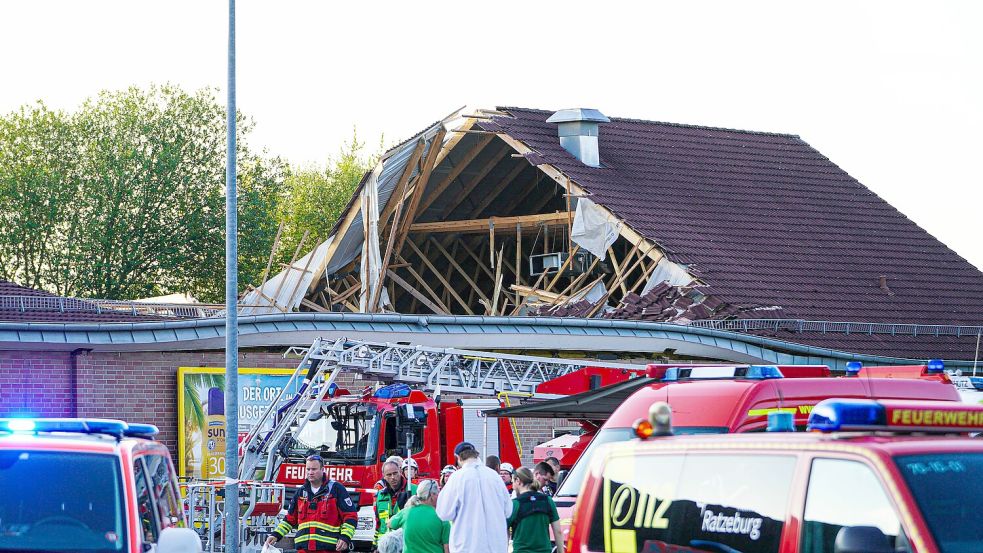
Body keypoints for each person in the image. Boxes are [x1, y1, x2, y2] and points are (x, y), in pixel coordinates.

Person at [266, 454, 357, 552]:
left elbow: (350, 517)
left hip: (329, 550)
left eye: (314, 469)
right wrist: (275, 535)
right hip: (304, 549)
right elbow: (289, 519)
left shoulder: (336, 489)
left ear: (322, 469)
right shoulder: (301, 492)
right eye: (308, 469)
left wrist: (345, 537)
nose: (310, 472)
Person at [435, 442, 512, 553]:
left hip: (467, 546)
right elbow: (508, 511)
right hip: (496, 546)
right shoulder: (495, 477)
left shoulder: (457, 478)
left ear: (458, 457)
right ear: (476, 455)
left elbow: (443, 513)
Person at [507, 467, 564, 553]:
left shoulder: (514, 504)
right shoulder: (547, 500)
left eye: (513, 481)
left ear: (518, 480)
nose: (512, 485)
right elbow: (558, 531)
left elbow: (504, 533)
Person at [390, 480, 450, 553]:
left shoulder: (406, 512)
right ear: (432, 495)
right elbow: (447, 548)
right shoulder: (442, 516)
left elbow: (390, 524)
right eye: (437, 493)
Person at [375, 459, 417, 547]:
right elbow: (379, 524)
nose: (393, 477)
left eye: (395, 473)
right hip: (387, 546)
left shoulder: (414, 490)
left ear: (400, 471)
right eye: (389, 475)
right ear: (384, 476)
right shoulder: (380, 495)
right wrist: (376, 545)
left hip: (408, 544)